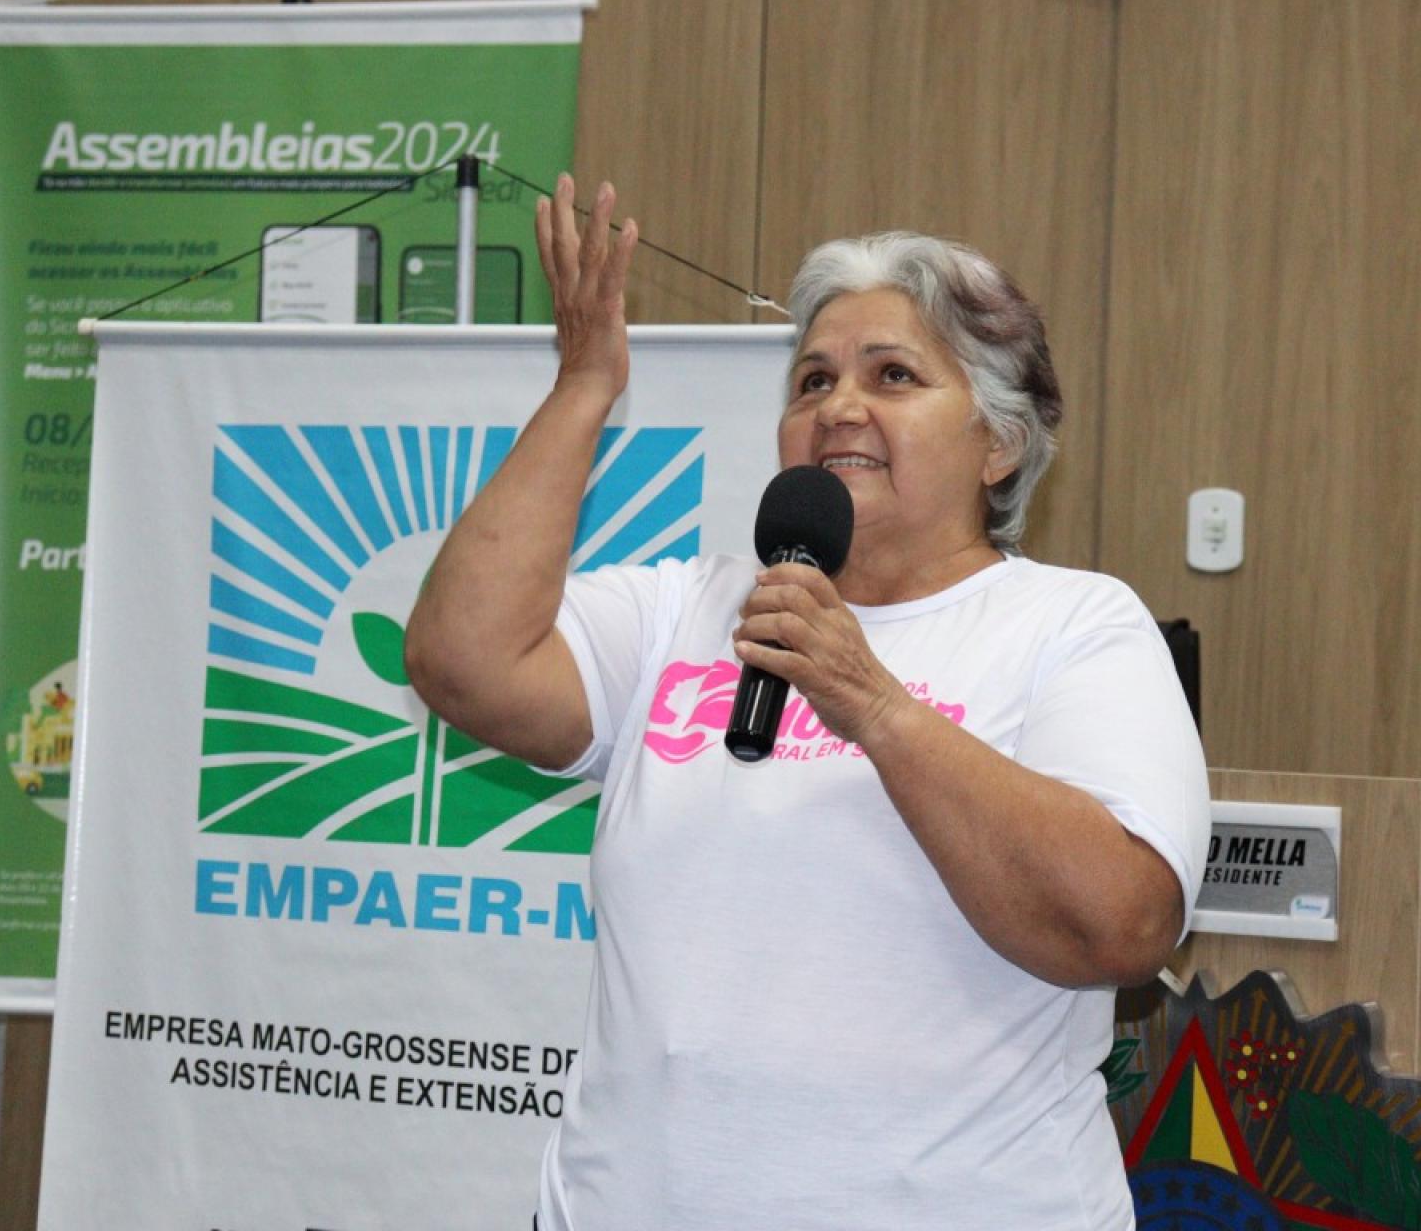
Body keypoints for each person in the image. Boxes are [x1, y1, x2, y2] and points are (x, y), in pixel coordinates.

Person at [404, 176, 1211, 1231]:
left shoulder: (1074, 625)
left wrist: (872, 703)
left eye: (894, 375)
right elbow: (460, 660)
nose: (838, 407)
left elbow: (1122, 926)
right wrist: (584, 385)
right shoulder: (686, 605)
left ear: (1000, 442)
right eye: (813, 379)